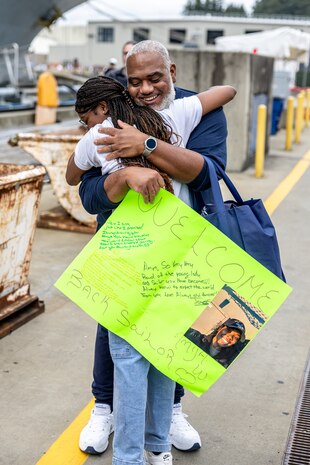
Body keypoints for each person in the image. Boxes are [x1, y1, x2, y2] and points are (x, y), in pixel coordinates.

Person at [76, 40, 230, 457]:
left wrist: (145, 146)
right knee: (116, 334)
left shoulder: (195, 110)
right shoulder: (114, 117)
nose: (145, 88)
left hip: (184, 246)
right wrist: (124, 173)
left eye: (155, 78)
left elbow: (208, 173)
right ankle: (104, 408)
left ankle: (170, 414)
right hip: (124, 246)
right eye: (135, 81)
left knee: (175, 332)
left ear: (172, 73)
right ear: (125, 83)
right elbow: (87, 191)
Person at [66, 76, 235, 185]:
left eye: (86, 120)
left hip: (134, 233)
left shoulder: (98, 136)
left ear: (103, 107)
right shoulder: (167, 115)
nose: (87, 126)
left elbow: (71, 178)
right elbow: (228, 91)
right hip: (181, 226)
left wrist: (84, 147)